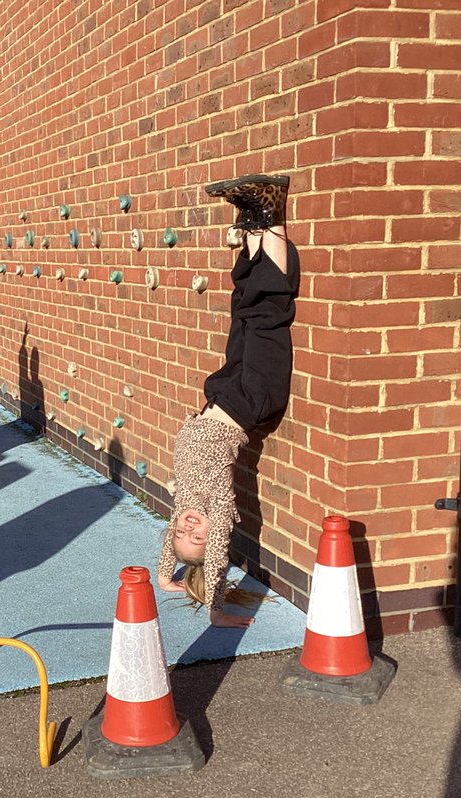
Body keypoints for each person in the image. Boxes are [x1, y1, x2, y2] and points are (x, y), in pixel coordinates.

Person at [155, 174, 298, 629]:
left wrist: (166, 577)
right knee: (266, 316)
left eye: (181, 531)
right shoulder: (217, 510)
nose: (188, 527)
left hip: (225, 395)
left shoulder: (183, 506)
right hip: (253, 399)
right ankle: (273, 214)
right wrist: (215, 608)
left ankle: (254, 223)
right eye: (196, 536)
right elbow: (214, 556)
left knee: (242, 312)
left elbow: (170, 544)